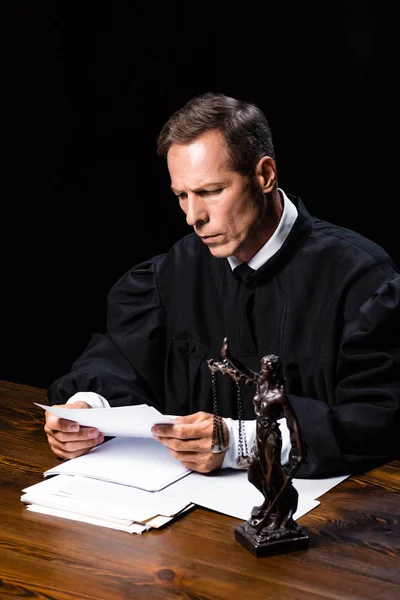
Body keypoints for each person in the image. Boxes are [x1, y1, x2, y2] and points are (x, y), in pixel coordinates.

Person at [44, 92, 400, 478]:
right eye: (182, 195)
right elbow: (121, 360)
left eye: (211, 191)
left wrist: (244, 442)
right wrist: (88, 411)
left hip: (327, 520)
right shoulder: (178, 269)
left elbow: (380, 417)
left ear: (264, 176)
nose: (193, 217)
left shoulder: (360, 278)